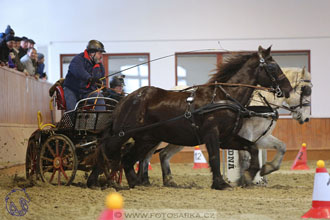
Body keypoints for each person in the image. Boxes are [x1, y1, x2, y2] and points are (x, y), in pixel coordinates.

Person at [63, 40, 106, 111]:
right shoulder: (78, 59)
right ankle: (70, 121)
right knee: (72, 110)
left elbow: (102, 79)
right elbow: (78, 70)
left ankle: (100, 120)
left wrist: (103, 86)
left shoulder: (100, 65)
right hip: (72, 90)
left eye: (101, 53)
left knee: (100, 98)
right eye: (99, 53)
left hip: (87, 92)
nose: (101, 56)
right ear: (92, 53)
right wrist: (89, 78)